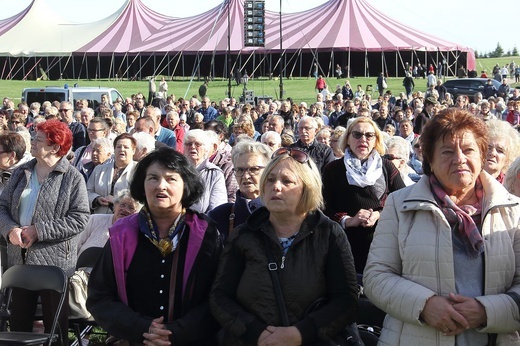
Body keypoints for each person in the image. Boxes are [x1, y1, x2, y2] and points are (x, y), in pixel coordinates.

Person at [364, 108, 520, 345]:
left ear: (481, 155)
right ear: (430, 161)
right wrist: (424, 305)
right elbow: (376, 277)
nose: (459, 159)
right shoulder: (399, 205)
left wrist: (487, 311)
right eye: (447, 151)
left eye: (468, 150)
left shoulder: (511, 209)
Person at [210, 147, 358, 345]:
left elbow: (345, 300)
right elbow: (220, 297)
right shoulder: (244, 234)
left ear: (307, 187)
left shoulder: (328, 233)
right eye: (270, 180)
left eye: (287, 181)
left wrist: (301, 333)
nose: (276, 187)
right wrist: (256, 332)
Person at [87, 147, 223, 345]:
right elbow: (100, 297)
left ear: (186, 185)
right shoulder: (122, 234)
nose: (161, 186)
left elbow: (219, 297)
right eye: (153, 178)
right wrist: (142, 328)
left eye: (171, 179)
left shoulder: (207, 235)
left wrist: (175, 332)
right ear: (142, 186)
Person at [0, 120, 90, 345]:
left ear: (55, 147)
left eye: (38, 139)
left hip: (54, 264)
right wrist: (9, 229)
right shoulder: (22, 172)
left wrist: (39, 231)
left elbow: (79, 218)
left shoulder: (72, 178)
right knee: (19, 326)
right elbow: (1, 206)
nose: (32, 140)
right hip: (19, 260)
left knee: (55, 330)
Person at [322, 117, 405, 273]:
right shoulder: (333, 169)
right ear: (347, 138)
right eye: (357, 135)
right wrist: (348, 220)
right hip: (344, 245)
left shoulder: (386, 167)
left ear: (376, 140)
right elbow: (323, 207)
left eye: (369, 135)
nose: (363, 139)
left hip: (383, 245)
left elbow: (403, 201)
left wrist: (379, 214)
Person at [208, 140, 271, 240]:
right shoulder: (220, 215)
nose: (245, 176)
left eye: (254, 169)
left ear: (268, 171)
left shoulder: (278, 213)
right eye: (240, 170)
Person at [77, 190, 140, 256]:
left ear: (136, 214)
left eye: (131, 208)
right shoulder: (94, 219)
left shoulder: (135, 234)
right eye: (122, 205)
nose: (125, 209)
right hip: (81, 265)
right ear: (115, 205)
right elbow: (76, 244)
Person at [87, 133, 137, 214]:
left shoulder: (139, 171)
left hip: (126, 220)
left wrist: (115, 200)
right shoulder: (99, 169)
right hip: (100, 218)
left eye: (126, 147)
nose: (122, 149)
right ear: (114, 150)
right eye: (118, 147)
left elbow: (140, 199)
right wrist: (97, 199)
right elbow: (87, 192)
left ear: (133, 150)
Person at [182, 129, 227, 213]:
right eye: (188, 144)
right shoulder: (177, 171)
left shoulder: (215, 174)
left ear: (206, 149)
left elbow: (217, 210)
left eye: (197, 144)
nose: (192, 147)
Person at [483, 119, 520, 183]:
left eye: (500, 150)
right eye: (489, 147)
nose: (492, 153)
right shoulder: (468, 183)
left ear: (508, 159)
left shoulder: (511, 186)